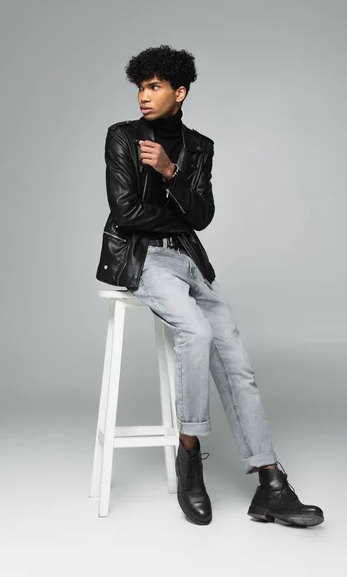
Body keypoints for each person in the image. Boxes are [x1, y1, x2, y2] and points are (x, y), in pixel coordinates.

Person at [96, 44, 324, 528]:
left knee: (237, 362)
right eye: (140, 86)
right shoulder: (122, 137)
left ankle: (271, 482)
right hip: (144, 260)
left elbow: (202, 216)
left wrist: (169, 172)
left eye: (154, 86)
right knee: (196, 333)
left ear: (179, 92)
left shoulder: (199, 147)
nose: (143, 95)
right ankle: (189, 452)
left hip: (190, 262)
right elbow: (124, 212)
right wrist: (175, 216)